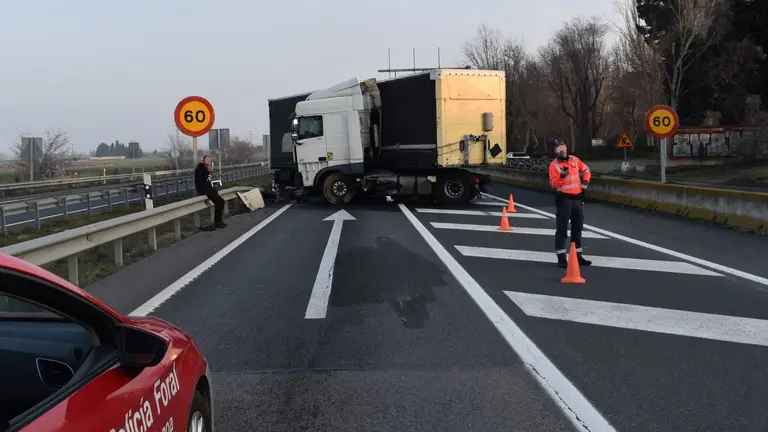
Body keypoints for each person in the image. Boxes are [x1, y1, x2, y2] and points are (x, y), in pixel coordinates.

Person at [548, 138, 592, 268]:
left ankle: (577, 256)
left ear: (566, 147)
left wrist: (584, 185)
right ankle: (561, 258)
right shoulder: (554, 165)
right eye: (558, 147)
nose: (561, 149)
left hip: (577, 199)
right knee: (562, 229)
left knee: (577, 228)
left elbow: (586, 171)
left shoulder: (574, 160)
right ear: (555, 151)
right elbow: (553, 183)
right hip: (564, 200)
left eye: (562, 145)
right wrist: (561, 176)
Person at [194, 155, 227, 229]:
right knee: (220, 201)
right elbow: (200, 183)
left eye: (210, 160)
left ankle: (218, 221)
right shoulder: (200, 169)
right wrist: (204, 191)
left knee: (221, 202)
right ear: (204, 160)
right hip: (205, 191)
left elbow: (208, 181)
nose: (209, 162)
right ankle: (217, 222)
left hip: (209, 190)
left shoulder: (206, 169)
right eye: (207, 160)